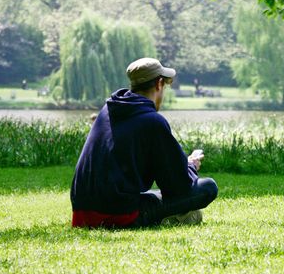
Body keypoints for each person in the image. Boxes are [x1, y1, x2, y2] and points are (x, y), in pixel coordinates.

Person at [70, 57, 218, 228]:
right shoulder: (152, 121)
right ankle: (168, 217)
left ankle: (166, 216)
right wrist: (190, 165)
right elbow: (179, 187)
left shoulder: (108, 110)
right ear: (159, 84)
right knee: (208, 187)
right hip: (119, 214)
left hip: (82, 214)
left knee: (153, 195)